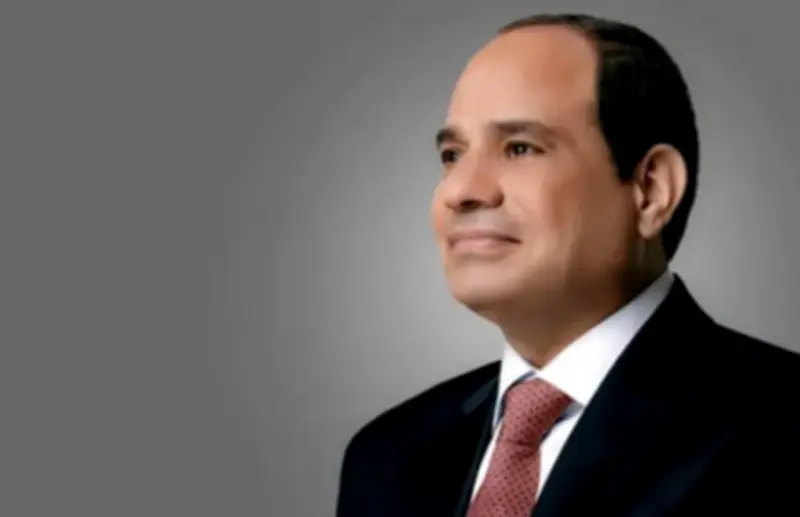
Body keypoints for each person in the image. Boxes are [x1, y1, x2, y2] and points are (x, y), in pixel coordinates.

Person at [335, 13, 800, 517]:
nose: (461, 191)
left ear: (650, 190)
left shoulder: (781, 428)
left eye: (520, 148)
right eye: (452, 155)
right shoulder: (385, 457)